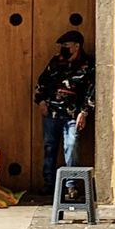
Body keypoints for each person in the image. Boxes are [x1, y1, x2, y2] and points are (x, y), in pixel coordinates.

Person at [35, 29, 94, 184]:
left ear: (77, 46)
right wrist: (40, 101)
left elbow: (91, 91)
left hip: (72, 115)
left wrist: (85, 112)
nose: (63, 48)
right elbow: (42, 81)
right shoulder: (56, 61)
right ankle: (49, 183)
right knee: (50, 147)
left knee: (72, 146)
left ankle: (70, 186)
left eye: (66, 45)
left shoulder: (87, 65)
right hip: (52, 113)